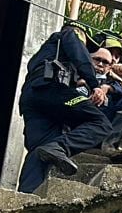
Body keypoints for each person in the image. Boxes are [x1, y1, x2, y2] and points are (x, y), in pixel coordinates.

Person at [18, 21, 116, 193]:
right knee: (101, 123)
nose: (85, 48)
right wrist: (95, 85)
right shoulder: (71, 34)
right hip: (51, 91)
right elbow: (79, 56)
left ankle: (26, 195)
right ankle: (60, 147)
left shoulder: (46, 53)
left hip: (32, 98)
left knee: (39, 149)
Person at [91, 45, 122, 148]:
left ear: (110, 66)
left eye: (105, 62)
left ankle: (110, 144)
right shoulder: (75, 73)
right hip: (78, 124)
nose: (100, 64)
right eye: (97, 59)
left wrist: (113, 86)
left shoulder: (115, 82)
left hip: (104, 122)